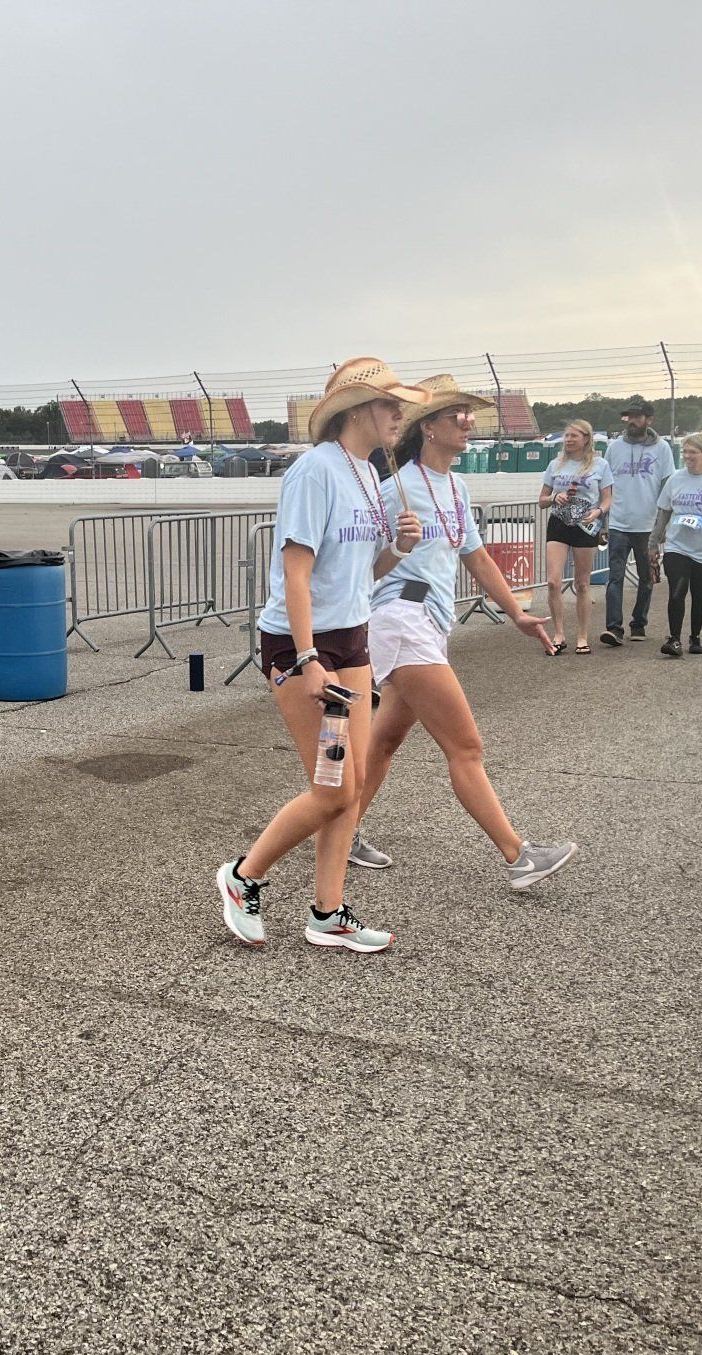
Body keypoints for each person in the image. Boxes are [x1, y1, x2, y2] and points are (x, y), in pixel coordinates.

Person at [217, 358, 428, 954]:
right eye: (389, 404)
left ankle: (328, 913)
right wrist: (309, 658)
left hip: (351, 638)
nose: (400, 415)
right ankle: (243, 876)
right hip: (302, 644)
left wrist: (398, 549)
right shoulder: (315, 471)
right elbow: (296, 571)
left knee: (351, 787)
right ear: (356, 409)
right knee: (333, 787)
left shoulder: (368, 474)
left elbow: (361, 573)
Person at [350, 376, 577, 888]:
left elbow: (476, 557)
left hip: (429, 624)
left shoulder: (456, 487)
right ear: (428, 427)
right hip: (402, 621)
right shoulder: (395, 489)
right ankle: (518, 856)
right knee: (466, 746)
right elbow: (358, 562)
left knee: (384, 743)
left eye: (469, 415)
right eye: (458, 416)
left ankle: (337, 832)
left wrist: (516, 613)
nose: (468, 423)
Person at [599, 397, 676, 646]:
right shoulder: (614, 447)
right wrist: (603, 521)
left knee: (646, 578)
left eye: (637, 417)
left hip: (647, 526)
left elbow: (667, 487)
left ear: (649, 420)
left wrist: (663, 525)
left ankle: (638, 623)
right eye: (629, 416)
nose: (632, 421)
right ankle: (614, 628)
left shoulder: (662, 449)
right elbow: (605, 486)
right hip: (619, 523)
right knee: (615, 577)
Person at [650, 433, 702, 658]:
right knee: (677, 590)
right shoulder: (675, 479)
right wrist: (653, 543)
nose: (687, 456)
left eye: (692, 452)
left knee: (699, 593)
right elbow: (663, 513)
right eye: (685, 452)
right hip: (677, 546)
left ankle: (695, 636)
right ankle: (674, 639)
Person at [537, 418, 612, 654]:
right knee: (553, 581)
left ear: (586, 439)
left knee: (582, 583)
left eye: (573, 436)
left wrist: (598, 512)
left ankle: (582, 636)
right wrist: (553, 498)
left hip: (585, 526)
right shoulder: (555, 465)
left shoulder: (600, 465)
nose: (568, 440)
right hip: (559, 524)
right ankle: (558, 634)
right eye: (566, 436)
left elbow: (607, 499)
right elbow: (541, 500)